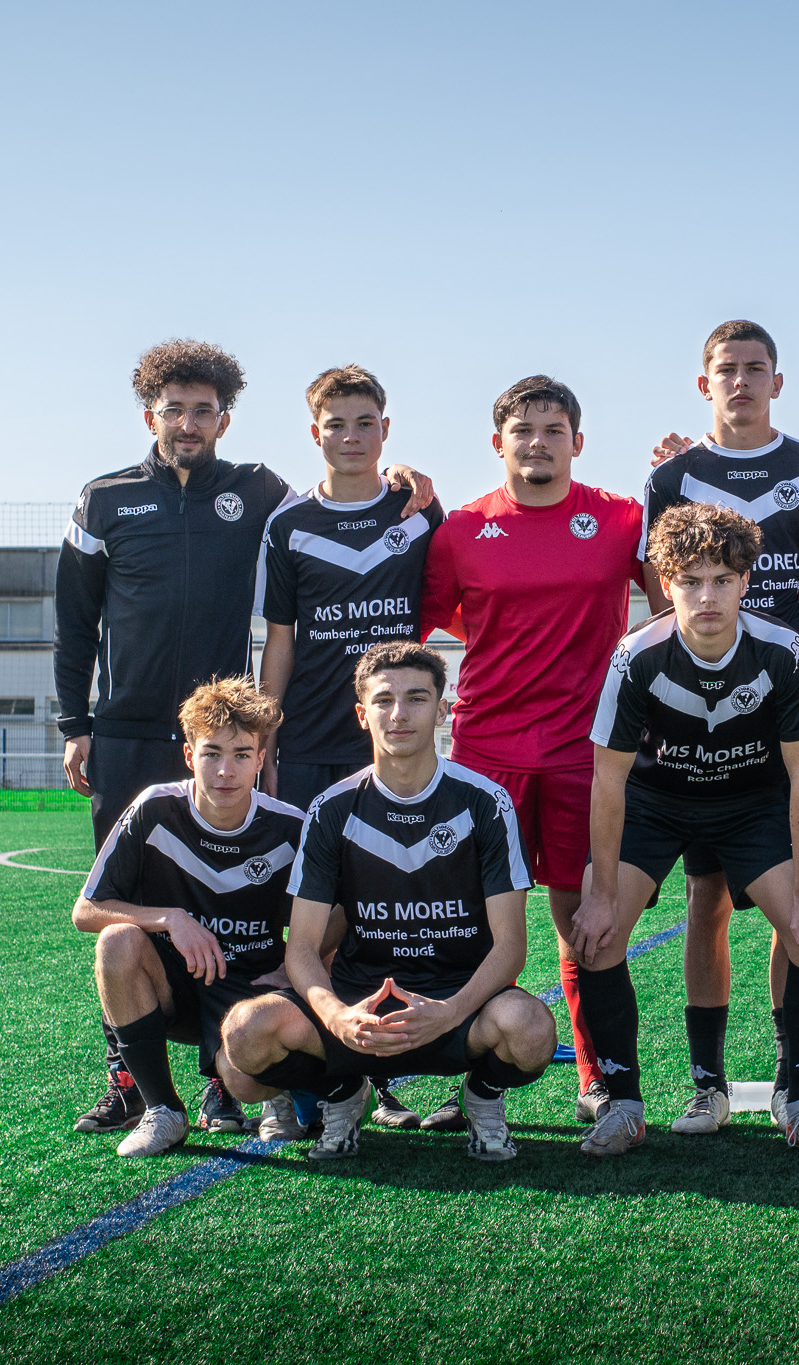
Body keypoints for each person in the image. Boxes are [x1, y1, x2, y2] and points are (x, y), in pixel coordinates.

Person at [58, 338, 433, 1134]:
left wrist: (404, 478)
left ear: (224, 419)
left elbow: (339, 496)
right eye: (174, 410)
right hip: (126, 733)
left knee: (257, 898)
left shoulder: (259, 491)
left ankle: (240, 1074)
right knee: (132, 909)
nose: (189, 424)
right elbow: (74, 621)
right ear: (151, 416)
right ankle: (131, 1081)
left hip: (225, 733)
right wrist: (74, 723)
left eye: (204, 411)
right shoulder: (104, 499)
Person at [573, 503, 799, 1157]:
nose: (707, 597)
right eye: (691, 581)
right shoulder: (636, 655)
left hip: (751, 804)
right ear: (666, 584)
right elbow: (608, 779)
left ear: (746, 581)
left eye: (722, 580)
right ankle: (627, 1105)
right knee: (598, 935)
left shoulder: (783, 650)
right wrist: (601, 892)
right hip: (657, 802)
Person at [218, 643, 552, 1162]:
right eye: (384, 700)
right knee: (244, 1034)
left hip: (458, 1002)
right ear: (362, 714)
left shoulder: (486, 802)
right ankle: (342, 1092)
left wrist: (450, 1012)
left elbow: (510, 947)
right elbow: (301, 947)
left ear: (442, 710)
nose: (399, 714)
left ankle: (483, 1095)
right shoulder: (332, 809)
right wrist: (336, 1016)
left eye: (417, 698)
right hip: (361, 1004)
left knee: (531, 1029)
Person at [418, 376, 645, 1128]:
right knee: (475, 922)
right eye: (523, 430)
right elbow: (418, 631)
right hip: (487, 754)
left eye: (553, 430)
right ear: (498, 443)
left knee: (586, 920)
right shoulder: (461, 529)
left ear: (577, 442)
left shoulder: (621, 518)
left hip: (587, 754)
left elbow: (679, 593)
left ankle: (599, 1078)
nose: (537, 443)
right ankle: (471, 1083)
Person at [642, 321, 799, 1128]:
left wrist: (792, 667)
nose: (740, 380)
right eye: (726, 369)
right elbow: (660, 589)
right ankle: (710, 1083)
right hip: (699, 721)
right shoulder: (674, 475)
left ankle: (794, 1082)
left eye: (755, 368)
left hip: (783, 718)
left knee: (793, 894)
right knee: (707, 898)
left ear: (777, 381)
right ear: (705, 384)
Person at [254, 364, 445, 1132]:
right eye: (337, 424)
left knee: (383, 909)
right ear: (315, 433)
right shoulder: (289, 524)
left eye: (366, 422)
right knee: (305, 912)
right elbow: (280, 639)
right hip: (310, 741)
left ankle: (377, 1070)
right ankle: (291, 1075)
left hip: (396, 743)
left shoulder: (417, 510)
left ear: (385, 430)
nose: (352, 436)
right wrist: (267, 738)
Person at [72, 679, 306, 1154]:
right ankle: (163, 1109)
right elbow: (86, 909)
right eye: (211, 753)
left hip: (252, 990)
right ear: (188, 755)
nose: (226, 771)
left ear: (261, 759)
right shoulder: (154, 809)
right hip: (174, 988)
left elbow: (338, 915)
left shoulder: (290, 827)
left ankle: (278, 1090)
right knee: (116, 941)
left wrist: (297, 966)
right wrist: (171, 919)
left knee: (244, 1083)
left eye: (242, 755)